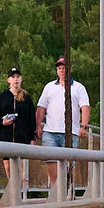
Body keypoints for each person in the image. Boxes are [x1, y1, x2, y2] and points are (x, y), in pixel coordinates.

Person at [35, 52, 89, 194]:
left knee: (70, 163)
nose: (62, 70)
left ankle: (68, 190)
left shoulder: (78, 88)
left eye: (64, 68)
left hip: (70, 132)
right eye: (59, 68)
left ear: (70, 69)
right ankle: (58, 190)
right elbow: (41, 107)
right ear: (57, 70)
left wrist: (83, 126)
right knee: (50, 160)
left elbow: (85, 107)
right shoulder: (49, 87)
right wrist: (38, 125)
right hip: (50, 131)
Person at [0, 65, 39, 204]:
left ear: (21, 79)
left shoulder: (26, 98)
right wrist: (2, 122)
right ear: (8, 80)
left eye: (18, 77)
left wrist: (32, 138)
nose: (16, 79)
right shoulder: (2, 97)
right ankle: (13, 191)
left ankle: (16, 194)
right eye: (13, 77)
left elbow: (31, 119)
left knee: (18, 166)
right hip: (5, 137)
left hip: (21, 138)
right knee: (7, 165)